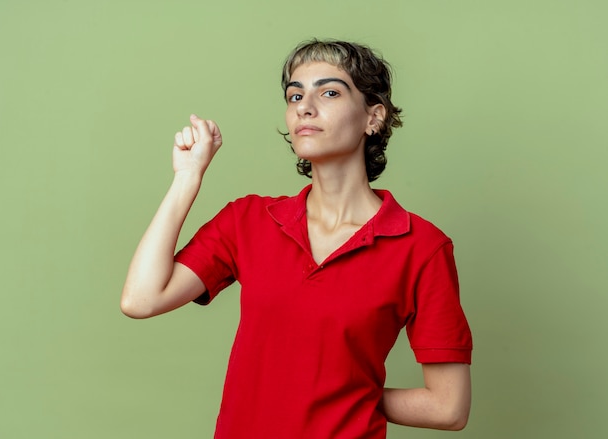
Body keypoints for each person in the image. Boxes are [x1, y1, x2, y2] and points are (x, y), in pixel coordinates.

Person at [121, 39, 472, 438]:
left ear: (373, 117)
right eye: (295, 94)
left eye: (330, 92)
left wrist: (344, 393)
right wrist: (187, 178)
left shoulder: (421, 247)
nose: (305, 106)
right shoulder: (248, 220)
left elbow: (449, 407)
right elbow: (141, 299)